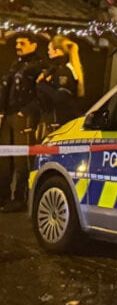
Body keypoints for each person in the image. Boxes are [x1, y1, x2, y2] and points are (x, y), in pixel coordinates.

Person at [0, 32, 46, 213]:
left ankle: (20, 198)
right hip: (9, 116)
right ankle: (3, 197)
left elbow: (41, 93)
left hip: (24, 117)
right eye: (17, 43)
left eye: (22, 43)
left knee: (22, 160)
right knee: (4, 159)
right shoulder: (16, 64)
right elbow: (6, 89)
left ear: (33, 45)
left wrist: (25, 112)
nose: (18, 46)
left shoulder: (39, 66)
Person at [35, 35, 84, 139]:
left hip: (59, 124)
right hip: (54, 121)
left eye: (49, 49)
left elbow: (62, 97)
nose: (48, 52)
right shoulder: (55, 69)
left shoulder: (64, 70)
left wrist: (41, 85)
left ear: (57, 51)